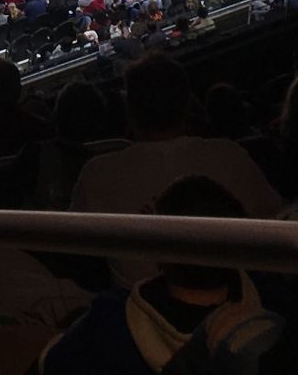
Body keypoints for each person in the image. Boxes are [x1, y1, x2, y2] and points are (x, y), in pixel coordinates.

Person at [71, 54, 283, 282]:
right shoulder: (229, 154)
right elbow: (276, 225)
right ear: (187, 104)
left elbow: (73, 253)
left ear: (130, 112)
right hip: (235, 297)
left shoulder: (97, 174)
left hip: (138, 310)